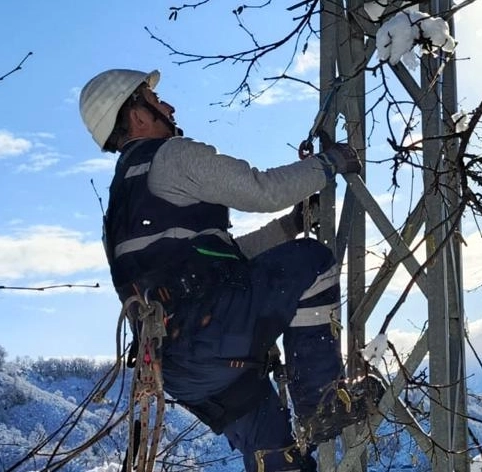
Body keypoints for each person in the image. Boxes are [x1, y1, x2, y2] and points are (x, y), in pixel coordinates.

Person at [79, 68, 377, 472]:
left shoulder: (120, 206)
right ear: (137, 115)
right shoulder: (173, 157)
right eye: (155, 100)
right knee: (312, 261)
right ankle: (321, 401)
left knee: (276, 460)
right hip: (213, 329)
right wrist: (329, 163)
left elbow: (217, 258)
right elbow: (263, 190)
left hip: (179, 368)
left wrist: (288, 227)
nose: (169, 107)